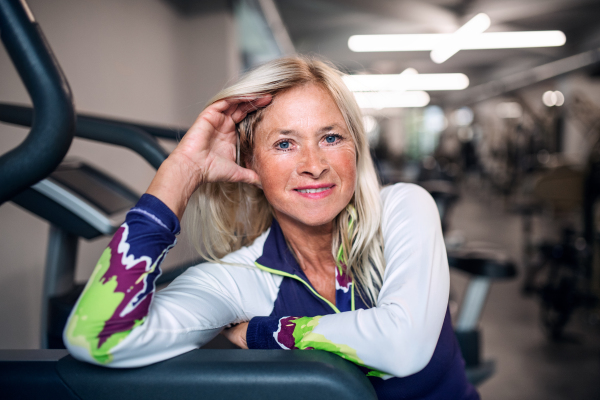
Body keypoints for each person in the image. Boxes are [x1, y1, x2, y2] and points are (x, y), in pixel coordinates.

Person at [63, 56, 478, 400]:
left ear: (355, 146)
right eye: (284, 143)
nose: (314, 165)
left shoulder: (403, 209)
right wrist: (180, 172)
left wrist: (266, 332)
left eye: (331, 137)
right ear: (250, 163)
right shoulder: (241, 280)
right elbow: (97, 336)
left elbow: (401, 345)